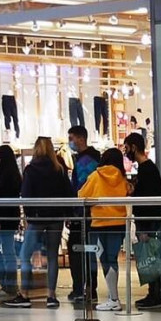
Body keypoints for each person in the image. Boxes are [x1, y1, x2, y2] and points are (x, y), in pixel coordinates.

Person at [5, 137, 73, 309]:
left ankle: (24, 294)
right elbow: (68, 193)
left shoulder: (31, 169)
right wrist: (67, 214)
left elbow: (26, 195)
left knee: (25, 255)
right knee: (52, 257)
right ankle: (51, 296)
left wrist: (28, 216)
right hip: (56, 217)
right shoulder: (59, 169)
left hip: (37, 218)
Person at [78, 148, 129, 312]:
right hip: (119, 223)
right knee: (113, 258)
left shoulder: (95, 176)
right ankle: (113, 297)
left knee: (104, 259)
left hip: (100, 223)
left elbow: (82, 195)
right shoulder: (122, 178)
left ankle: (113, 298)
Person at [124, 132, 161, 309]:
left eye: (127, 148)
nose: (126, 152)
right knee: (150, 257)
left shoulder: (147, 169)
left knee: (150, 257)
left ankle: (155, 294)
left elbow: (151, 199)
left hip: (147, 221)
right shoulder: (147, 168)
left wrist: (146, 228)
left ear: (134, 147)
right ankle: (153, 293)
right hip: (147, 220)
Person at [67, 126, 101, 303]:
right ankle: (89, 288)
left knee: (79, 250)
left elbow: (81, 189)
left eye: (71, 138)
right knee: (88, 251)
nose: (70, 142)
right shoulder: (92, 158)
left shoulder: (85, 161)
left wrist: (75, 211)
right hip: (90, 214)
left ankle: (82, 289)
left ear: (81, 138)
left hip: (84, 214)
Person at [0, 145, 22, 299]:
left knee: (0, 250)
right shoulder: (14, 174)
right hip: (11, 216)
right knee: (8, 250)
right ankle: (10, 283)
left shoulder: (5, 176)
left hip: (3, 217)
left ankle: (7, 283)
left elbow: (1, 198)